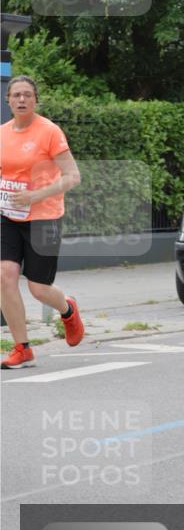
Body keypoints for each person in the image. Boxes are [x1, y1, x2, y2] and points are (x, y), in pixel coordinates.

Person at [1, 75, 85, 369]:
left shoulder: (49, 132)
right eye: (16, 95)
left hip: (44, 217)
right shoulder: (2, 133)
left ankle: (67, 308)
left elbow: (73, 177)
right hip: (8, 216)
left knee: (38, 288)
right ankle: (22, 348)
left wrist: (36, 195)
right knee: (4, 276)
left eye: (27, 94)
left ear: (35, 99)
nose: (22, 99)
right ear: (8, 100)